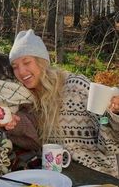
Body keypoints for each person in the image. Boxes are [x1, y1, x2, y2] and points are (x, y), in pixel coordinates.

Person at [9, 29, 119, 177]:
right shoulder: (27, 99)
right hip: (59, 181)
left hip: (96, 178)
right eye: (15, 67)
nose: (21, 71)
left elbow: (110, 143)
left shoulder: (76, 87)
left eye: (27, 62)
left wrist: (113, 115)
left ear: (42, 62)